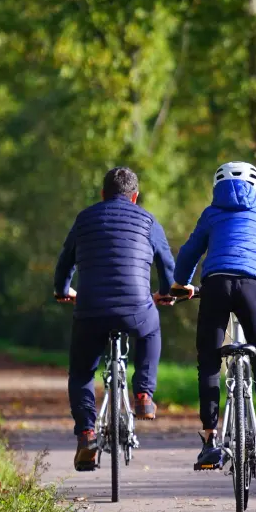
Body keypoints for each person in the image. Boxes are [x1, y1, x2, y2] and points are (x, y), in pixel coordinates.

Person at [172, 161, 256, 468]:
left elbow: (190, 251)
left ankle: (209, 440)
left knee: (209, 360)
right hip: (251, 287)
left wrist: (181, 283)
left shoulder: (211, 214)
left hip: (215, 285)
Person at [54, 167, 175, 471]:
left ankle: (86, 434)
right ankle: (144, 394)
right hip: (136, 309)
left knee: (82, 372)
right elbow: (166, 265)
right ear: (135, 197)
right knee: (150, 330)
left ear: (102, 194)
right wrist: (165, 293)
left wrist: (62, 290)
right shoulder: (148, 220)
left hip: (90, 309)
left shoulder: (84, 219)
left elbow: (66, 261)